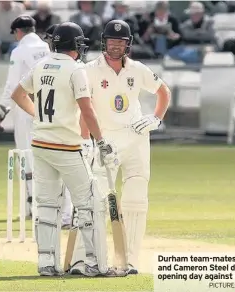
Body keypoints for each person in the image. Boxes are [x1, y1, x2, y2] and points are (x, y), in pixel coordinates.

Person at [10, 21, 118, 276]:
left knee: (47, 205)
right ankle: (95, 264)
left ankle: (46, 264)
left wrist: (37, 116)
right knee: (91, 203)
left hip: (40, 144)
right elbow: (87, 110)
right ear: (74, 46)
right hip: (67, 147)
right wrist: (101, 141)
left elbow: (17, 94)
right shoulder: (75, 70)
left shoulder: (41, 65)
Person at [69, 19, 171, 275]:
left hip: (136, 138)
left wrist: (157, 118)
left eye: (121, 41)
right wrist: (85, 141)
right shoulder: (89, 70)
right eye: (112, 41)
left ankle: (129, 260)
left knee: (136, 199)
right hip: (106, 139)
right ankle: (84, 260)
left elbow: (164, 92)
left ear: (128, 44)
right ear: (104, 42)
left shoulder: (137, 69)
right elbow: (85, 109)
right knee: (96, 200)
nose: (116, 46)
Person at [0, 15, 50, 218]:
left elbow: (12, 86)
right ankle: (49, 206)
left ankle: (33, 206)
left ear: (18, 32)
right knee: (48, 156)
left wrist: (0, 113)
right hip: (50, 109)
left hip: (26, 109)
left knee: (26, 156)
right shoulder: (47, 47)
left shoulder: (19, 51)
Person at [43, 23, 95, 229]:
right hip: (70, 136)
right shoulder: (76, 69)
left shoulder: (46, 67)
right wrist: (88, 138)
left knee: (63, 184)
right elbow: (85, 108)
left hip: (56, 135)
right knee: (74, 184)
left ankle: (66, 219)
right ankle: (70, 219)